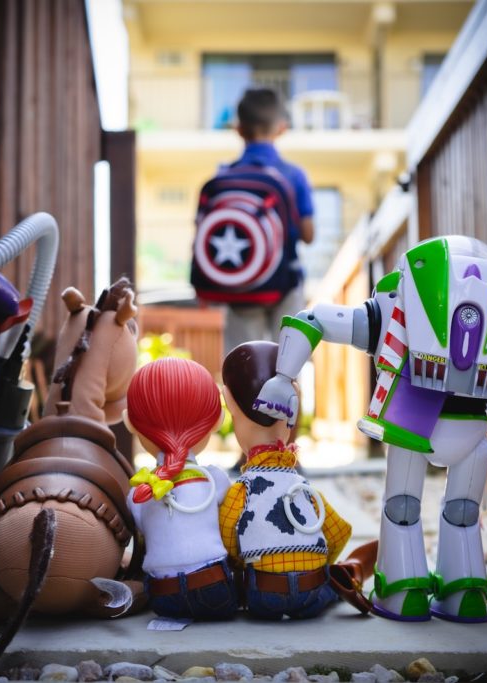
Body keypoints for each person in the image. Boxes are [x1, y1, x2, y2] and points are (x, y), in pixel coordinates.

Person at [218, 341, 351, 619]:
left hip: (263, 598)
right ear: (293, 410)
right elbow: (340, 532)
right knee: (332, 583)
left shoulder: (242, 491)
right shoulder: (303, 489)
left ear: (229, 403)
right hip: (311, 594)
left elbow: (229, 541)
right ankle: (342, 579)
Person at [124, 358, 237, 620]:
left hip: (163, 599)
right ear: (217, 421)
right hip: (215, 590)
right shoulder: (215, 480)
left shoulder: (138, 493)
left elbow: (147, 531)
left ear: (130, 423)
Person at [221, 88, 315, 356]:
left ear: (238, 129)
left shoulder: (225, 174)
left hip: (240, 284)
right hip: (285, 283)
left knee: (243, 362)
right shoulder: (294, 175)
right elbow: (308, 235)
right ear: (281, 128)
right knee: (287, 364)